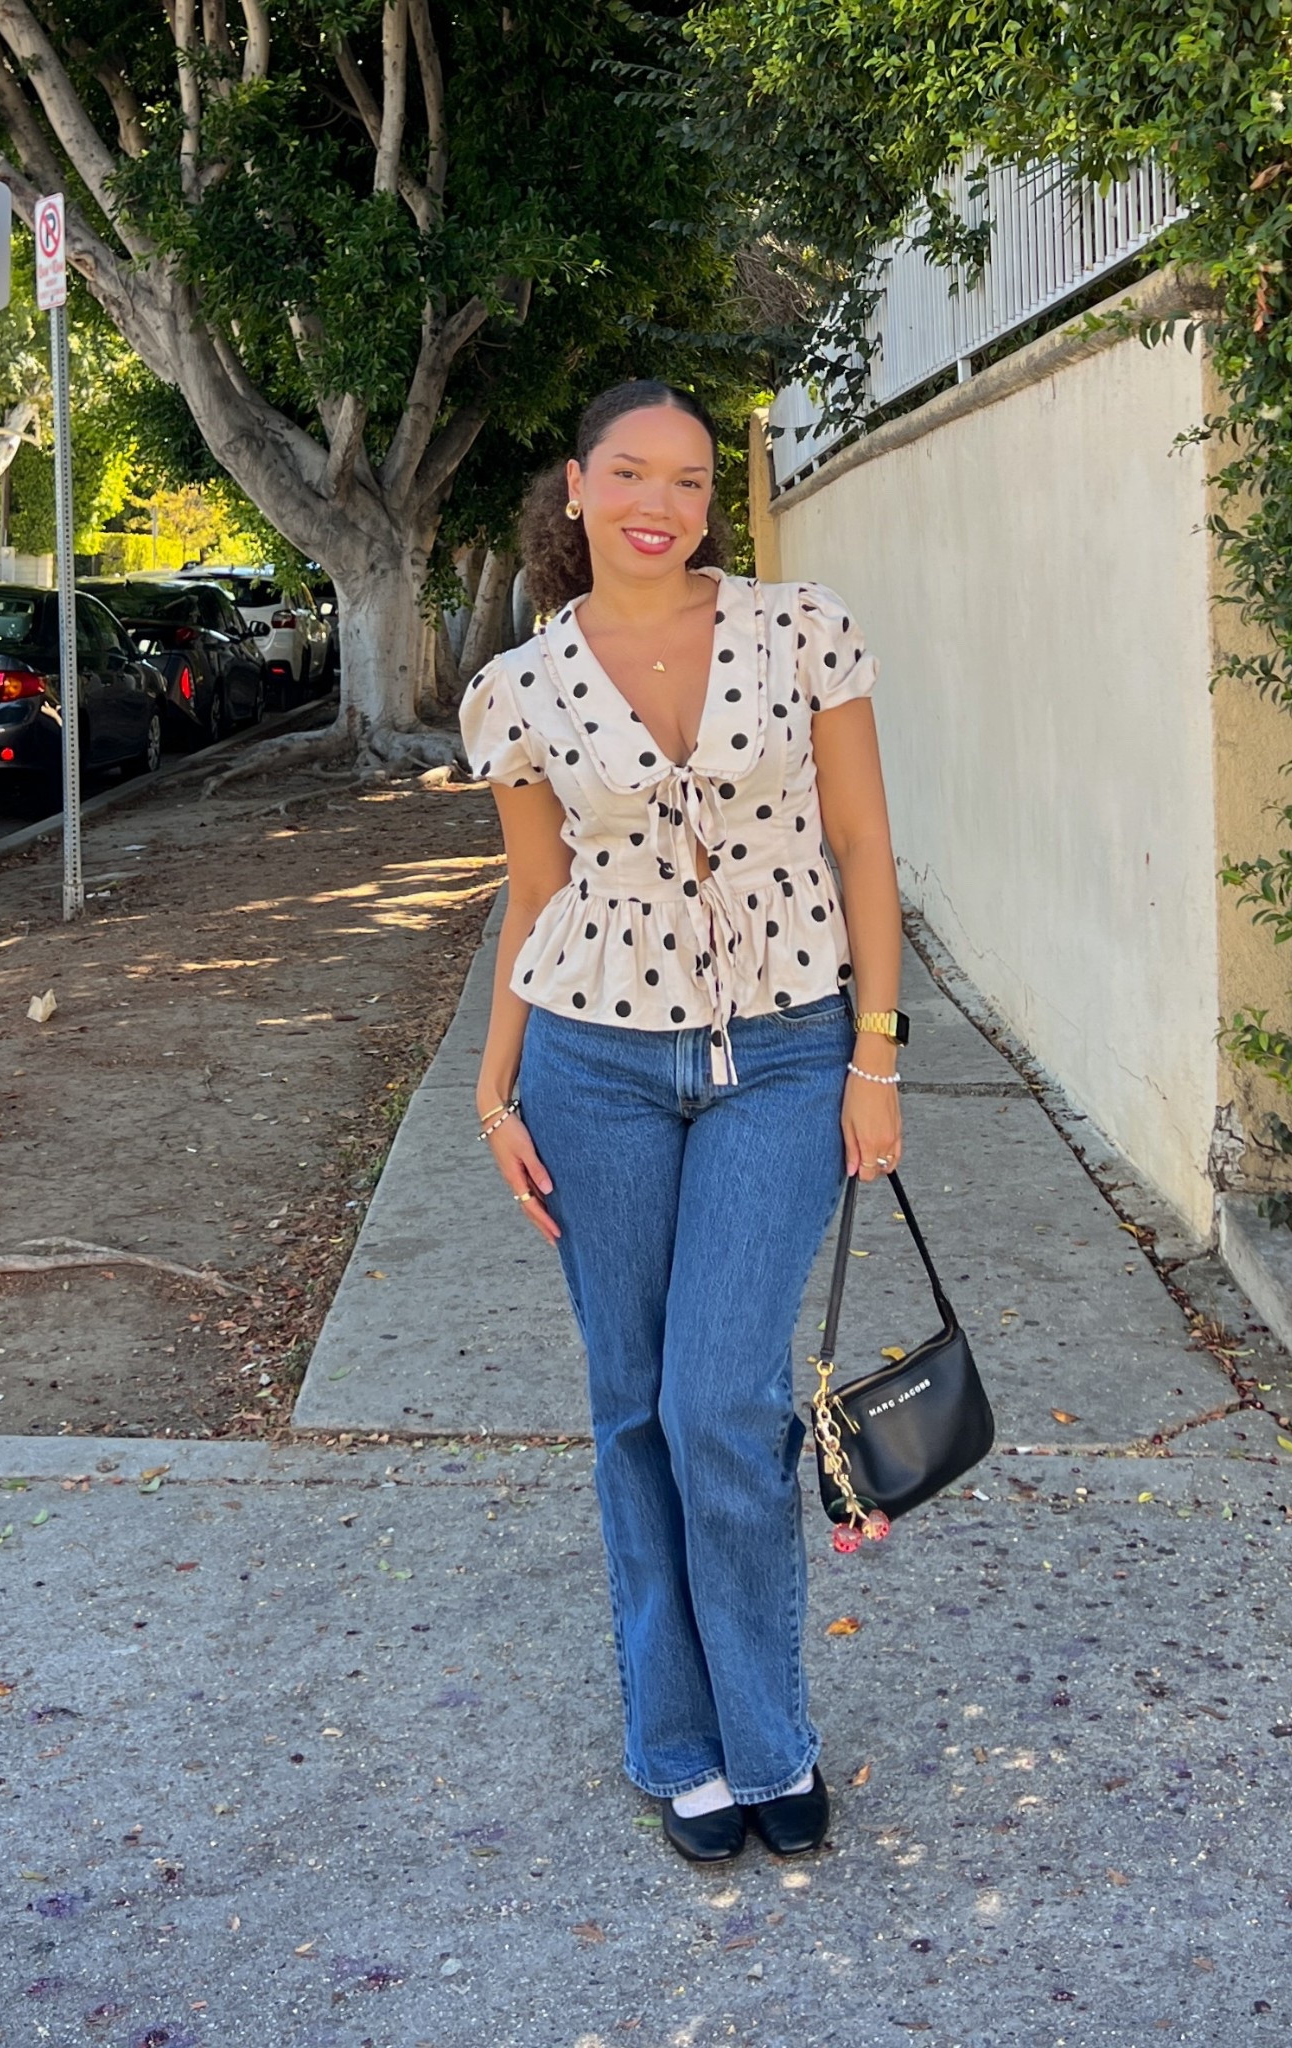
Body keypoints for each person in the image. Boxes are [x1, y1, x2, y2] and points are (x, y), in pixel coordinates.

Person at [460, 378, 906, 1863]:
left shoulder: (802, 631)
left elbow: (859, 842)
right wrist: (494, 1079)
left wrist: (879, 1059)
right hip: (593, 1061)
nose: (665, 502)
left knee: (724, 1400)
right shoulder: (521, 688)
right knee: (633, 1407)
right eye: (634, 474)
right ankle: (677, 1743)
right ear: (577, 489)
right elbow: (538, 896)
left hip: (787, 1053)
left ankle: (770, 1734)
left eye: (696, 481)